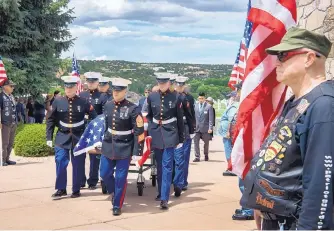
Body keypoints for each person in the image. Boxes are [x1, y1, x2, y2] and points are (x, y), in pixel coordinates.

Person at [241, 27, 334, 230]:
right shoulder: (297, 101)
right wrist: (261, 203)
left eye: (284, 55)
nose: (277, 62)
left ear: (309, 58)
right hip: (277, 218)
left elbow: (321, 185)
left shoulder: (323, 106)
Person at [46, 76, 96, 199]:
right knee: (60, 161)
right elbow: (51, 119)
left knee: (78, 164)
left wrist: (92, 134)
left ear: (75, 87)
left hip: (79, 136)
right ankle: (61, 189)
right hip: (62, 135)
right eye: (66, 87)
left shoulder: (83, 101)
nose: (68, 89)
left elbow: (95, 117)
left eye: (71, 87)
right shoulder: (58, 101)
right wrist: (49, 137)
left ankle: (76, 189)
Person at [100, 77, 145, 216]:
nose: (116, 93)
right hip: (108, 145)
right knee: (104, 174)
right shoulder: (107, 105)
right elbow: (105, 125)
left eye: (119, 91)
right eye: (114, 90)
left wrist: (138, 150)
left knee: (120, 178)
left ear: (125, 91)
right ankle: (114, 192)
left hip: (125, 146)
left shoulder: (133, 109)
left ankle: (117, 204)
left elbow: (139, 130)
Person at [146, 73, 185, 209]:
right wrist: (152, 129)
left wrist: (181, 138)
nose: (162, 85)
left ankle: (164, 198)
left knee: (167, 165)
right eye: (159, 83)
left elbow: (179, 119)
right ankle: (160, 192)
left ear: (169, 83)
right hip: (157, 133)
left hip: (170, 133)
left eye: (164, 83)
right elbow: (150, 116)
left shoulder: (177, 97)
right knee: (160, 166)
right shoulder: (151, 97)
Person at [79, 72, 107, 190]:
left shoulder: (102, 96)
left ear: (97, 83)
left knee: (94, 156)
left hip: (95, 128)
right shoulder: (81, 94)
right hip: (82, 127)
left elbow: (105, 113)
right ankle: (80, 180)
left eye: (93, 82)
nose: (90, 84)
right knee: (80, 155)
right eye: (89, 81)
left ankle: (93, 180)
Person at [174, 76, 196, 191]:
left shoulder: (189, 98)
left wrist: (192, 130)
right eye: (178, 85)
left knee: (184, 157)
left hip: (185, 129)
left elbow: (191, 115)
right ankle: (175, 180)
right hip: (173, 129)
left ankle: (182, 182)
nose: (180, 87)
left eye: (182, 85)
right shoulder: (171, 97)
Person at [0, 80, 17, 166]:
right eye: (11, 86)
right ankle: (3, 160)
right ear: (5, 87)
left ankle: (7, 159)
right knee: (5, 142)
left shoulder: (11, 96)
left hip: (13, 122)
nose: (13, 88)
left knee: (11, 143)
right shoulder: (1, 96)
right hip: (5, 123)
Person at [193, 92, 214, 162]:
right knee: (196, 142)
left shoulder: (209, 106)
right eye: (199, 98)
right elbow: (193, 117)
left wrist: (210, 128)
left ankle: (206, 154)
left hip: (205, 128)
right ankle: (197, 156)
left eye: (202, 98)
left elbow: (211, 118)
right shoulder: (195, 106)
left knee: (206, 143)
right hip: (196, 128)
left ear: (204, 98)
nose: (200, 100)